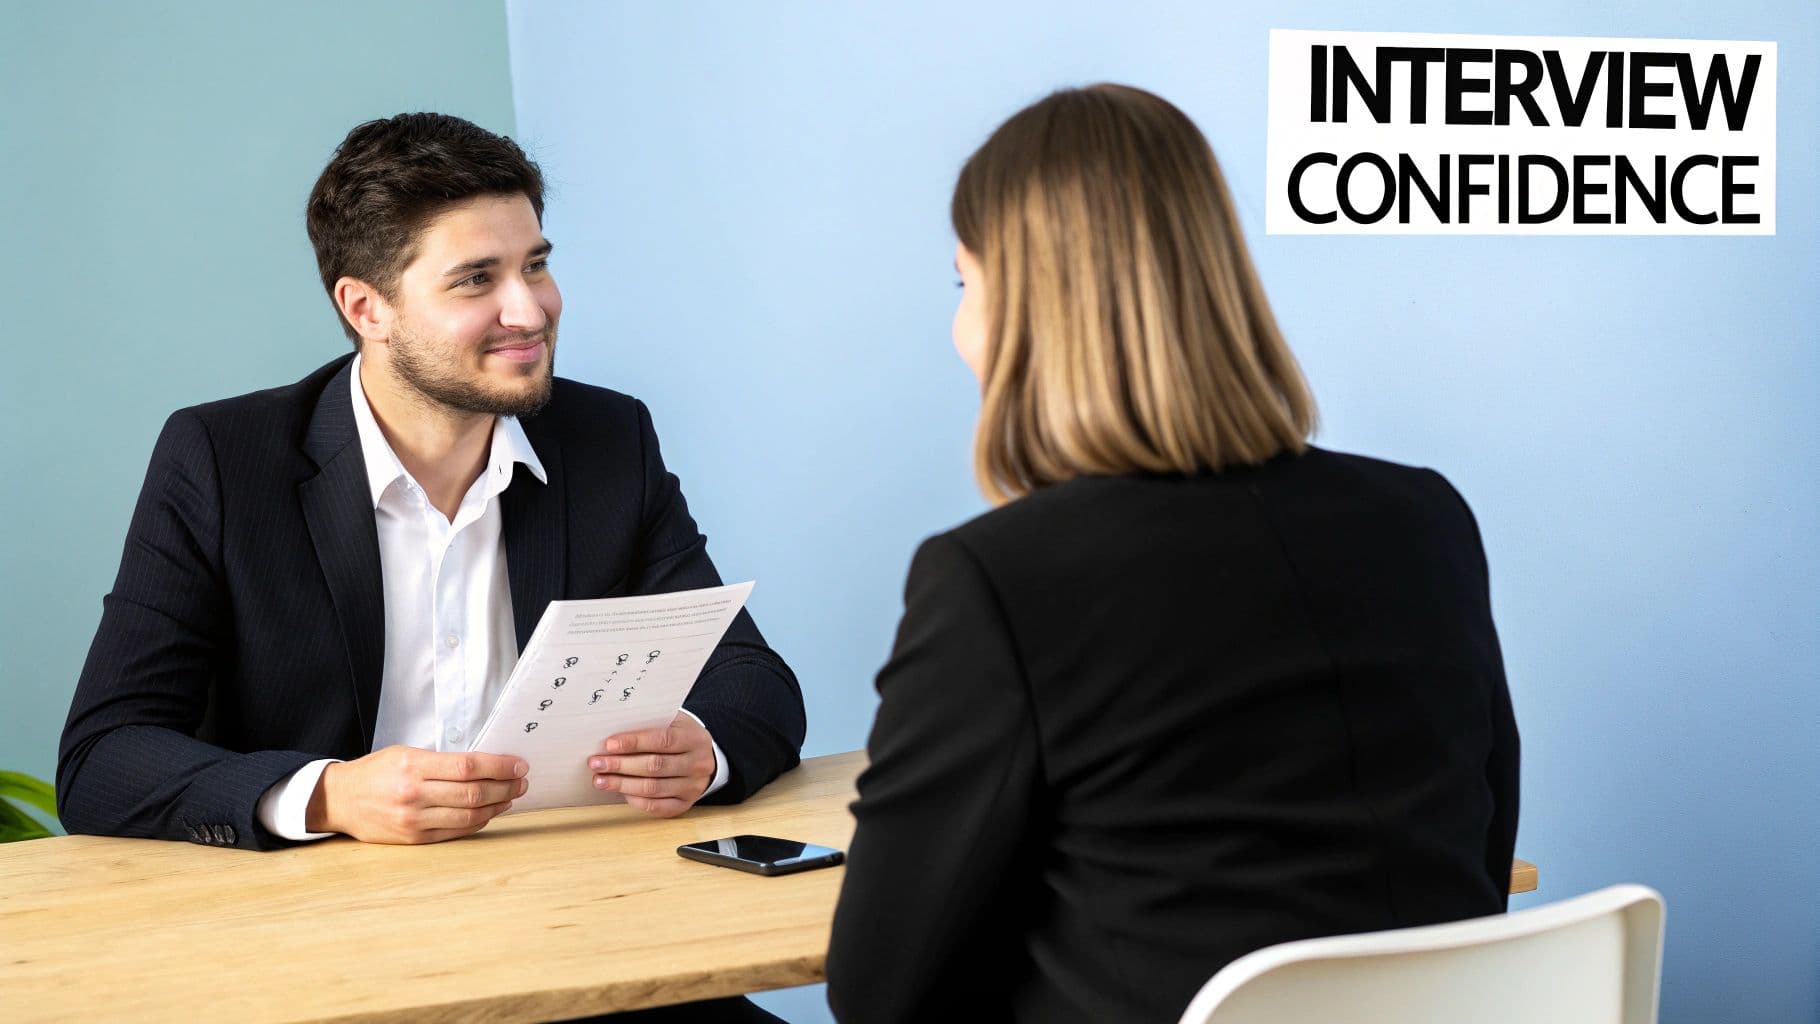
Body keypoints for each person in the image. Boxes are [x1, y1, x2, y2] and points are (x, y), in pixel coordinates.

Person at [826, 84, 1520, 1023]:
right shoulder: (1425, 519)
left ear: (1026, 311)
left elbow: (880, 992)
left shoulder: (995, 581)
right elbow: (1477, 858)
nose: (961, 330)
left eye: (965, 284)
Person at [58, 113, 806, 856]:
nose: (530, 309)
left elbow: (750, 677)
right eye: (477, 279)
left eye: (536, 265)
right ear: (366, 308)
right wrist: (329, 795)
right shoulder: (224, 460)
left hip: (577, 898)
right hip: (322, 928)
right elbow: (103, 755)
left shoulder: (608, 440)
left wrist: (704, 749)